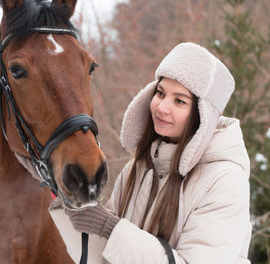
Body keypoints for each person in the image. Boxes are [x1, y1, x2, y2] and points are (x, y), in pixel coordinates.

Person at [49, 42, 252, 264]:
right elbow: (103, 258)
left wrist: (110, 227)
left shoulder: (225, 180)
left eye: (179, 101)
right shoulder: (138, 168)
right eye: (161, 93)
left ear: (203, 116)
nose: (162, 107)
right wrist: (68, 202)